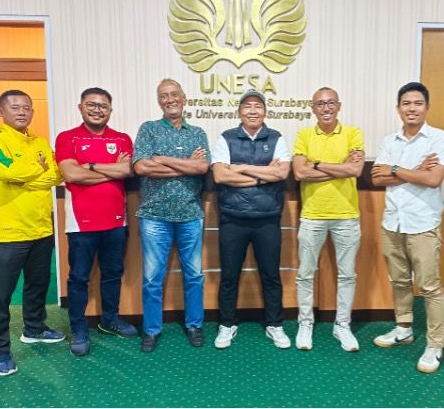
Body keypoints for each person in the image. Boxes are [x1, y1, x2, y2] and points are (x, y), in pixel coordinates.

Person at [0, 90, 64, 376]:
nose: (22, 112)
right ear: (1, 112)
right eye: (15, 107)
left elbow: (55, 175)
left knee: (37, 285)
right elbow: (8, 172)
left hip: (40, 229)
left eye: (27, 107)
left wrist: (27, 177)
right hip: (7, 233)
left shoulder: (40, 142)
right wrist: (35, 170)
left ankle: (34, 329)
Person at [371, 82, 444, 373]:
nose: (411, 108)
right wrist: (415, 170)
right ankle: (403, 329)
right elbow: (376, 179)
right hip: (393, 221)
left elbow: (433, 180)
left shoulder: (438, 138)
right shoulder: (389, 141)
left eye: (417, 103)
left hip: (423, 223)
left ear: (427, 107)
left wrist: (394, 169)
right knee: (399, 281)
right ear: (398, 108)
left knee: (429, 286)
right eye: (406, 103)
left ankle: (435, 344)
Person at [55, 87, 137, 357]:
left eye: (103, 106)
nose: (97, 110)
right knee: (79, 278)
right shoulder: (68, 138)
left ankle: (109, 320)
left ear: (110, 110)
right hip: (81, 224)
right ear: (80, 107)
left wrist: (88, 166)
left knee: (112, 273)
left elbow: (127, 170)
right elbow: (71, 174)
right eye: (91, 104)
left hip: (116, 222)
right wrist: (110, 170)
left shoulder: (121, 139)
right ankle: (79, 329)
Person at [210, 89, 292, 349]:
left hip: (268, 218)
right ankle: (227, 324)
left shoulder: (277, 138)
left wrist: (243, 168)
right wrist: (263, 175)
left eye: (258, 106)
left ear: (265, 111)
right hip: (233, 218)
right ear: (239, 112)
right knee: (229, 275)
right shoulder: (226, 138)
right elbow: (221, 176)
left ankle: (274, 324)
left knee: (271, 275)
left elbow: (281, 174)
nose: (253, 111)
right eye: (247, 106)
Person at [133, 78, 209, 352]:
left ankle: (194, 325)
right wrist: (186, 164)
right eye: (164, 96)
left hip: (190, 214)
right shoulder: (149, 129)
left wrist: (162, 159)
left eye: (174, 94)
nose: (169, 100)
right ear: (159, 101)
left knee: (194, 275)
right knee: (152, 278)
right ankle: (152, 330)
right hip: (154, 216)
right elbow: (141, 167)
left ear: (184, 98)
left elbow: (202, 168)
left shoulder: (197, 133)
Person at [292, 86, 364, 352]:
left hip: (346, 215)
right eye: (320, 104)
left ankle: (342, 325)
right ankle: (305, 323)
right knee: (305, 273)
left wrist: (316, 164)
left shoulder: (353, 133)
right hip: (312, 215)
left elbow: (355, 169)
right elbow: (299, 173)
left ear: (339, 106)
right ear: (313, 108)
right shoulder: (304, 135)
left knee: (347, 275)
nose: (326, 108)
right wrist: (339, 168)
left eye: (331, 103)